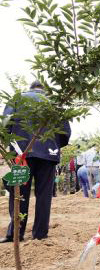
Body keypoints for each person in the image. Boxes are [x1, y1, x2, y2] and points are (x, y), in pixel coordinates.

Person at [1, 80, 71, 243]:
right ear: (44, 90)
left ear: (30, 88)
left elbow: (5, 126)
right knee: (44, 194)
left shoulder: (18, 98)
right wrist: (53, 145)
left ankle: (15, 234)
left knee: (19, 194)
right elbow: (65, 132)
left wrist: (11, 147)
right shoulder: (55, 103)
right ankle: (40, 234)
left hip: (21, 153)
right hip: (48, 154)